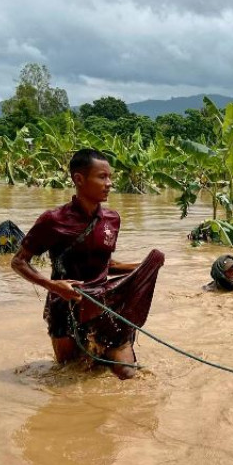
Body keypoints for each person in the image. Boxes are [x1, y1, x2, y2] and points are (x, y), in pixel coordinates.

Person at [11, 148, 165, 379]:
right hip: (64, 307)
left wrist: (141, 269)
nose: (109, 183)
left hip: (104, 305)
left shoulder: (112, 219)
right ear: (79, 179)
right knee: (70, 374)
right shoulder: (53, 220)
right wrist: (53, 286)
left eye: (110, 177)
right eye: (102, 177)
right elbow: (18, 262)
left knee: (128, 375)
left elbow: (105, 263)